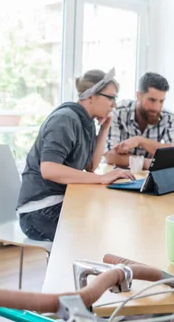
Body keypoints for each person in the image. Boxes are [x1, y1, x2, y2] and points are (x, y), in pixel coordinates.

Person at [17, 69, 134, 242]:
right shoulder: (65, 119)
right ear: (90, 96)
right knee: (104, 229)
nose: (114, 105)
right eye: (111, 97)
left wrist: (104, 128)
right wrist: (102, 178)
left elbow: (91, 166)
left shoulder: (84, 121)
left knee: (109, 217)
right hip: (39, 212)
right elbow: (49, 169)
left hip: (59, 202)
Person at [105, 72, 174, 169]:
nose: (156, 108)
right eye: (152, 100)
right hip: (118, 176)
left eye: (161, 101)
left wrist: (140, 141)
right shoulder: (118, 112)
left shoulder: (169, 118)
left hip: (150, 177)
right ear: (139, 95)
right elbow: (109, 156)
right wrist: (145, 162)